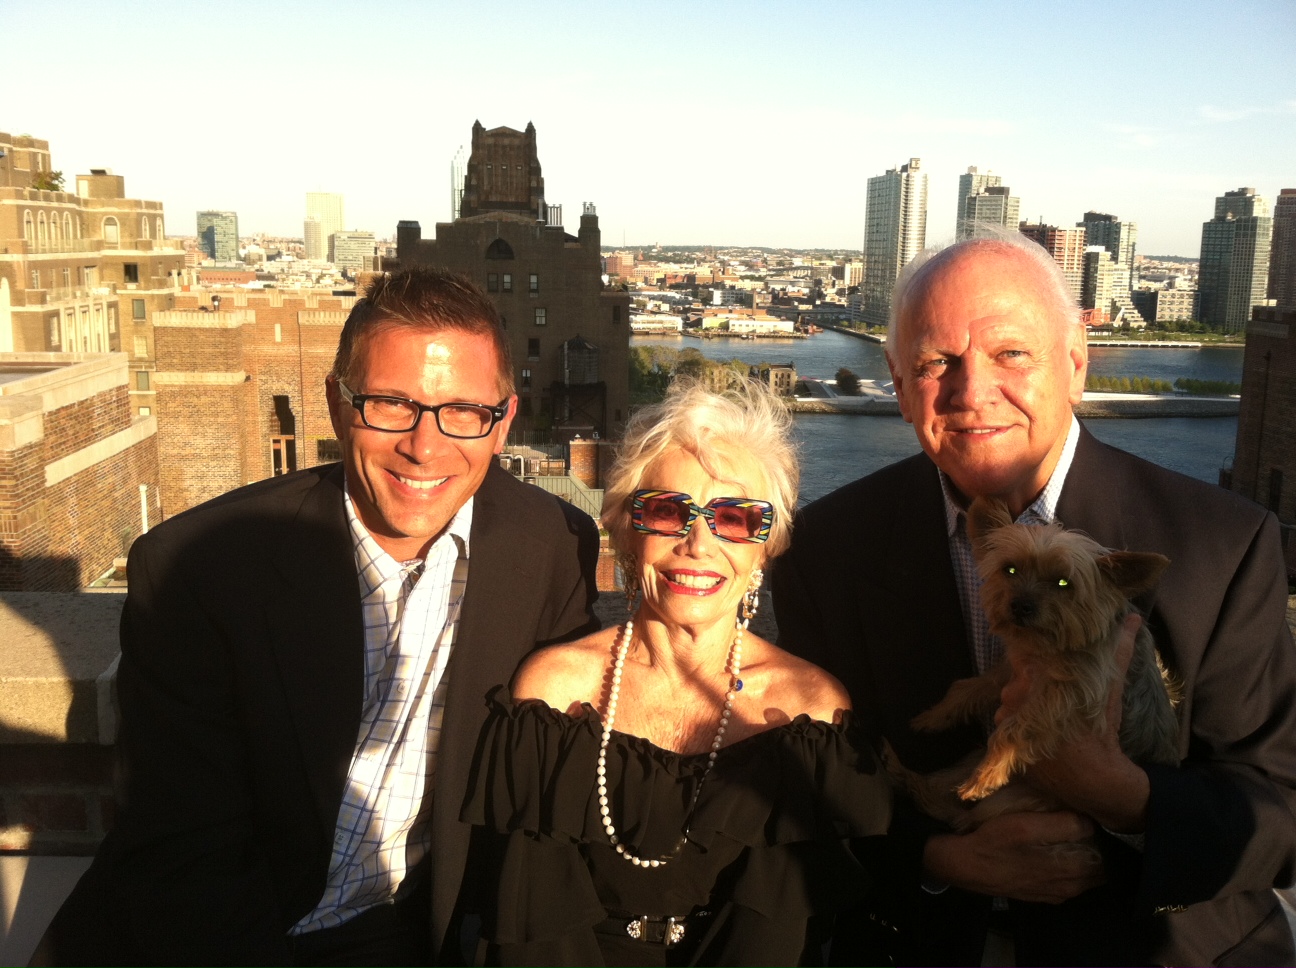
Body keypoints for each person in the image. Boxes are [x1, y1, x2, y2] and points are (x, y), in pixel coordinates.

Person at [39, 268, 600, 967]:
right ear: (338, 405)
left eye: (462, 411)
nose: (425, 447)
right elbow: (183, 856)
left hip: (422, 936)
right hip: (240, 933)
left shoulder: (551, 545)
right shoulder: (201, 571)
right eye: (391, 405)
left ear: (503, 422)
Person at [772, 232, 1296, 967]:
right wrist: (935, 860)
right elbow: (805, 782)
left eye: (1010, 354)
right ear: (896, 381)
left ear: (1076, 362)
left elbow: (1279, 811)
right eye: (935, 363)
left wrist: (1125, 799)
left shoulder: (1223, 545)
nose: (971, 392)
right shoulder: (824, 548)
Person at [460, 380, 891, 967]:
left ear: (766, 547)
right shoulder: (552, 697)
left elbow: (789, 940)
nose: (699, 543)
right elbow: (533, 928)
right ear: (626, 530)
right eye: (667, 511)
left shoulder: (811, 713)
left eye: (736, 518)